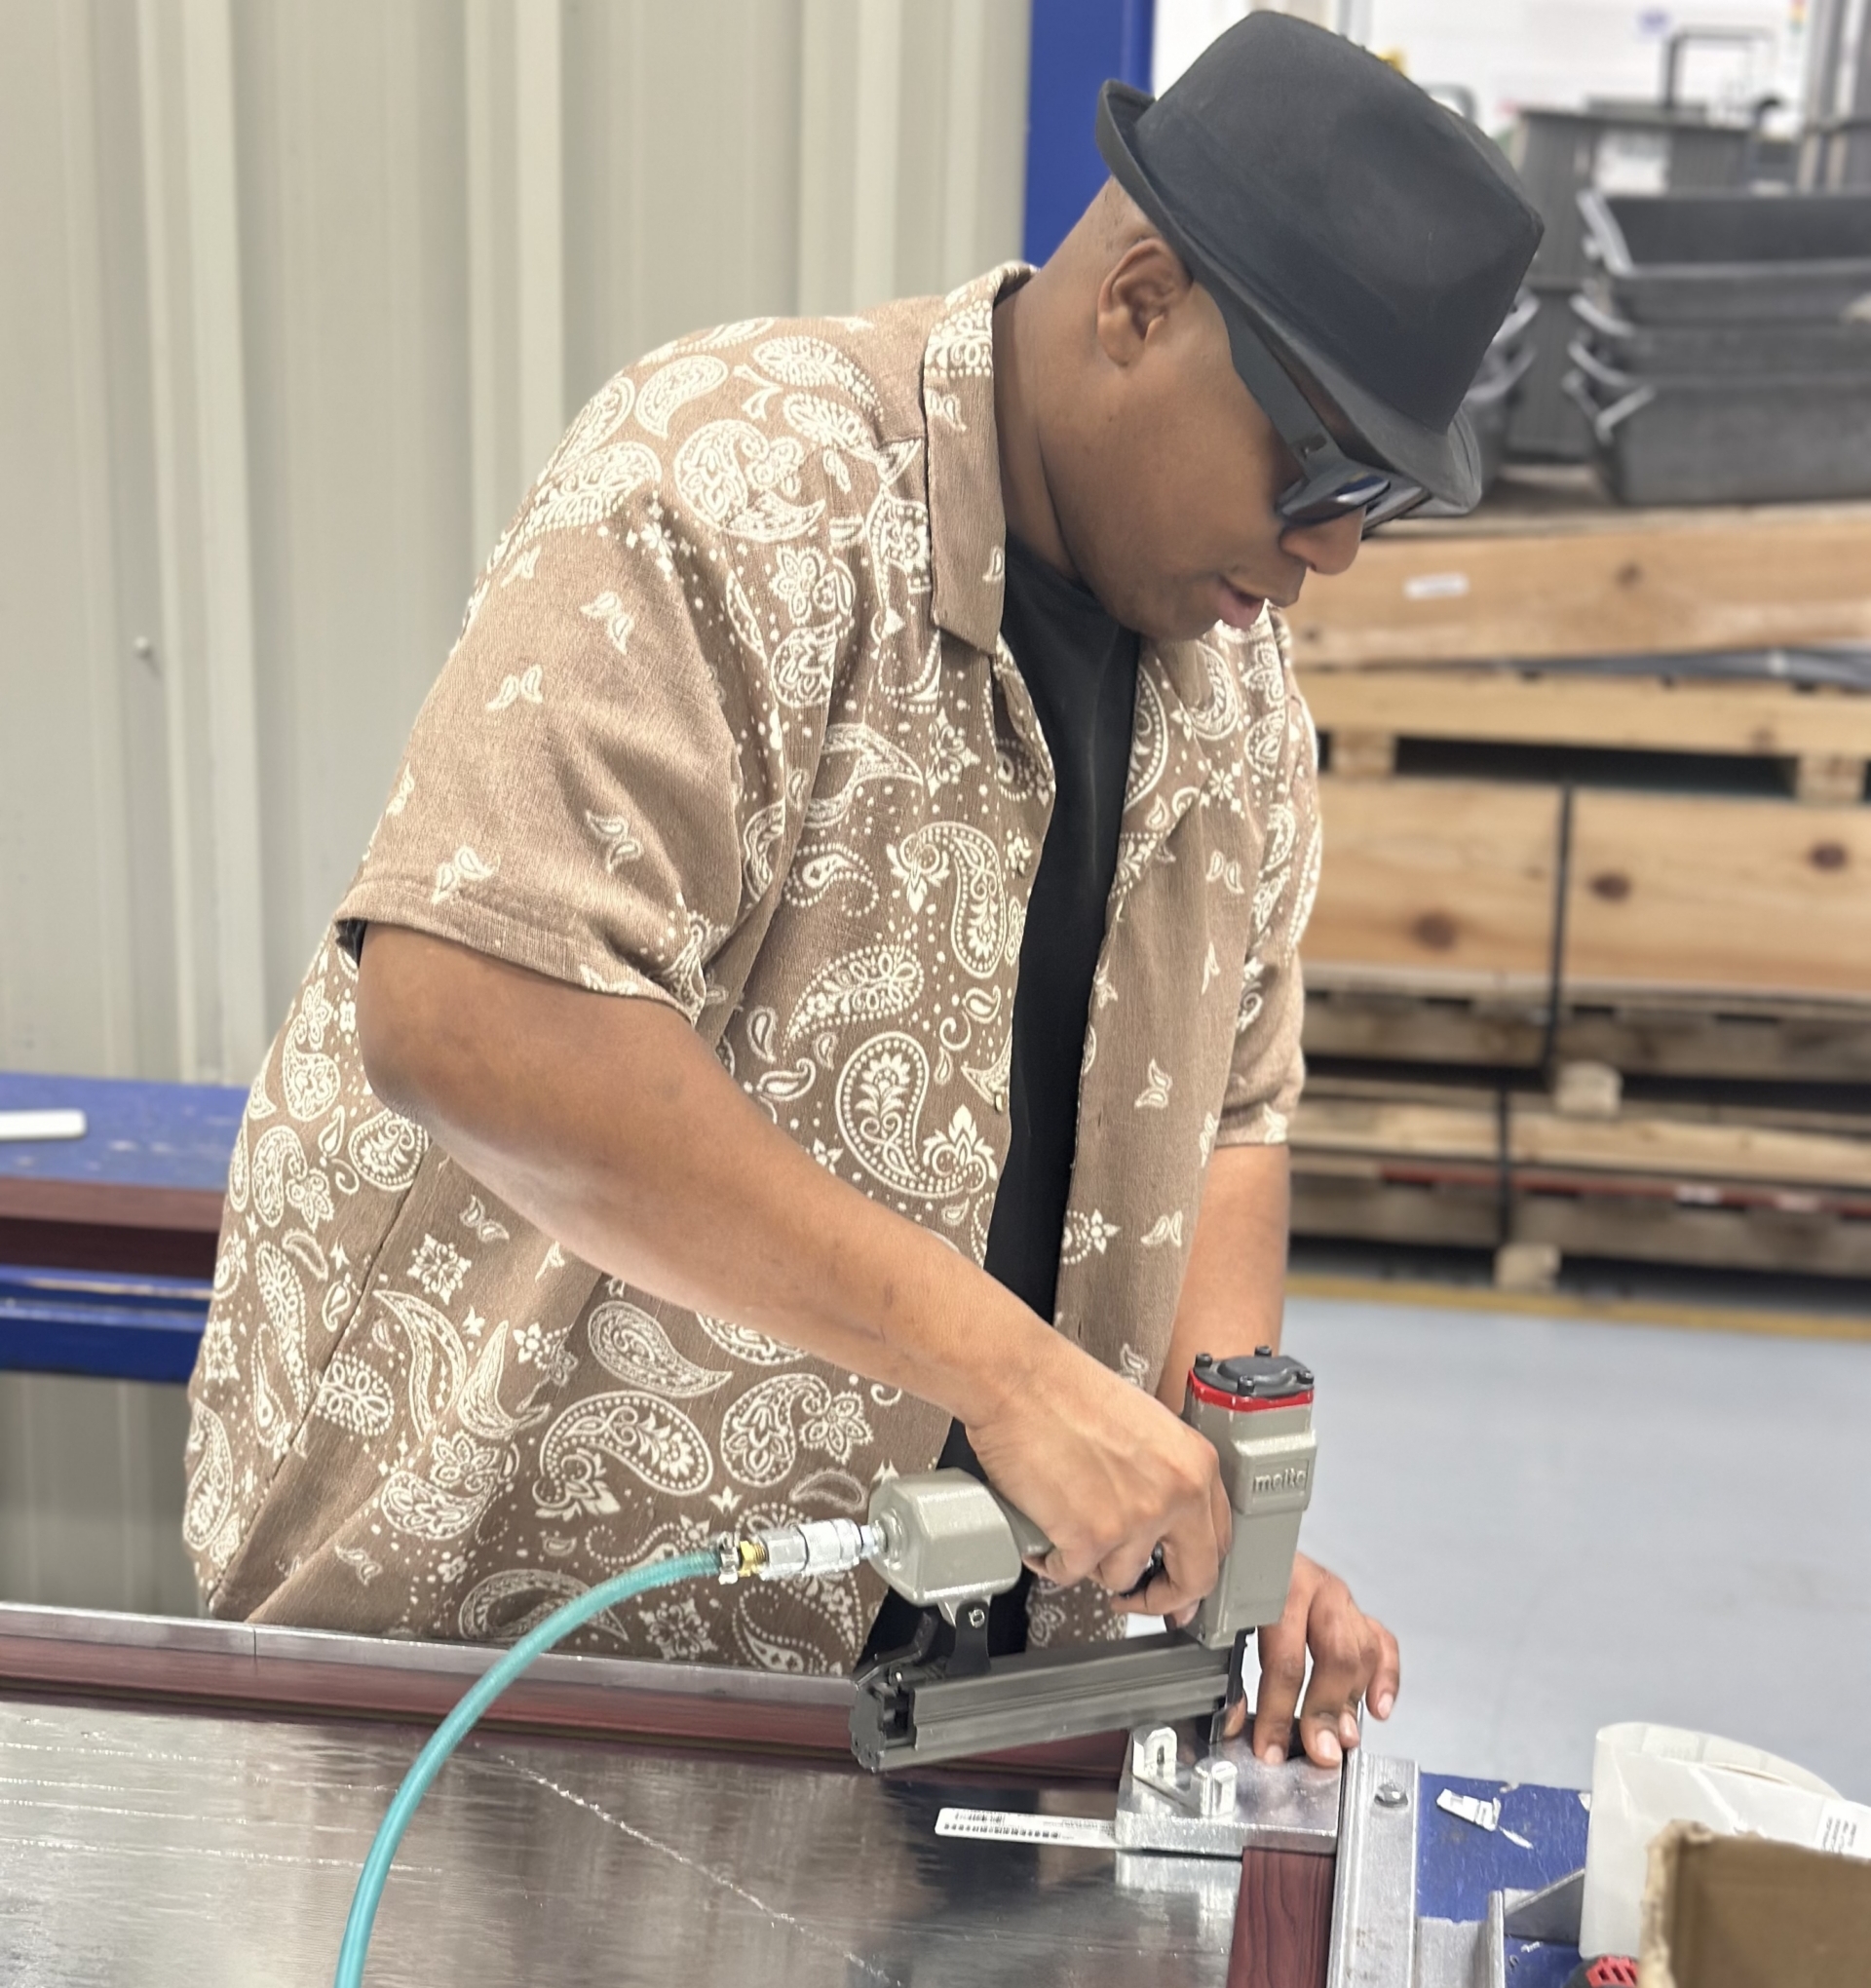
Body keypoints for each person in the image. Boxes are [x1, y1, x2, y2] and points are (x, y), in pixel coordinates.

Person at [183, 14, 1540, 1772]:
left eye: (1385, 508)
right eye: (1324, 469)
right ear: (1141, 302)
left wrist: (1211, 1534)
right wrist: (1013, 1372)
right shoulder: (738, 492)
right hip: (502, 1674)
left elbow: (1234, 1122)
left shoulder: (1240, 702)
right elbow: (468, 1010)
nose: (1336, 551)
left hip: (928, 1720)